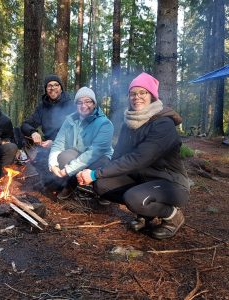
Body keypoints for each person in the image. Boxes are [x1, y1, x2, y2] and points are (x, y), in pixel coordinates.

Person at [77, 72, 190, 240]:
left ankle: (172, 216)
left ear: (151, 95)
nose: (137, 97)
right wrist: (95, 173)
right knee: (101, 185)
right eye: (133, 93)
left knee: (133, 197)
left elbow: (140, 158)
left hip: (170, 184)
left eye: (142, 92)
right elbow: (119, 156)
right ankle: (146, 214)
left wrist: (94, 173)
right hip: (142, 179)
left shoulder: (163, 124)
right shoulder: (129, 123)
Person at [48, 87, 114, 200]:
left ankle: (102, 192)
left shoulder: (105, 124)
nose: (83, 106)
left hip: (98, 157)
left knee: (99, 165)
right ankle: (71, 184)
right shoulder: (70, 120)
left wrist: (68, 170)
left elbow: (94, 153)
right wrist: (52, 164)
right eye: (79, 102)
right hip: (77, 154)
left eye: (88, 101)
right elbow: (58, 143)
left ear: (94, 103)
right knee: (64, 156)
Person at [21, 74, 76, 188]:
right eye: (49, 86)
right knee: (38, 161)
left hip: (68, 147)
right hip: (48, 147)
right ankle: (48, 181)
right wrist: (33, 132)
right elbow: (25, 124)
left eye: (56, 85)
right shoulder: (42, 108)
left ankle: (69, 185)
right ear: (46, 89)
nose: (53, 88)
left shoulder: (71, 105)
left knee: (59, 177)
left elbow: (76, 133)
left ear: (61, 88)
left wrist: (55, 142)